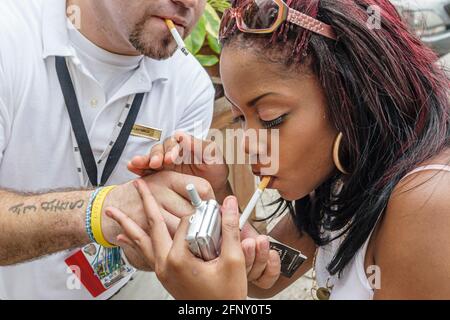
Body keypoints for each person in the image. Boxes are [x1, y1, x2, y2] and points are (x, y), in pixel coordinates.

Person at [117, 0, 450, 300]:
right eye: (238, 118)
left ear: (352, 97)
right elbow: (263, 280)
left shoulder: (428, 203)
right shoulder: (339, 176)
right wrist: (217, 195)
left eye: (270, 118)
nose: (246, 145)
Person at [0, 0, 219, 300]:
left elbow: (142, 252)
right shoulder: (10, 35)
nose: (189, 3)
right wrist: (98, 210)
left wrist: (157, 236)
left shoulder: (191, 88)